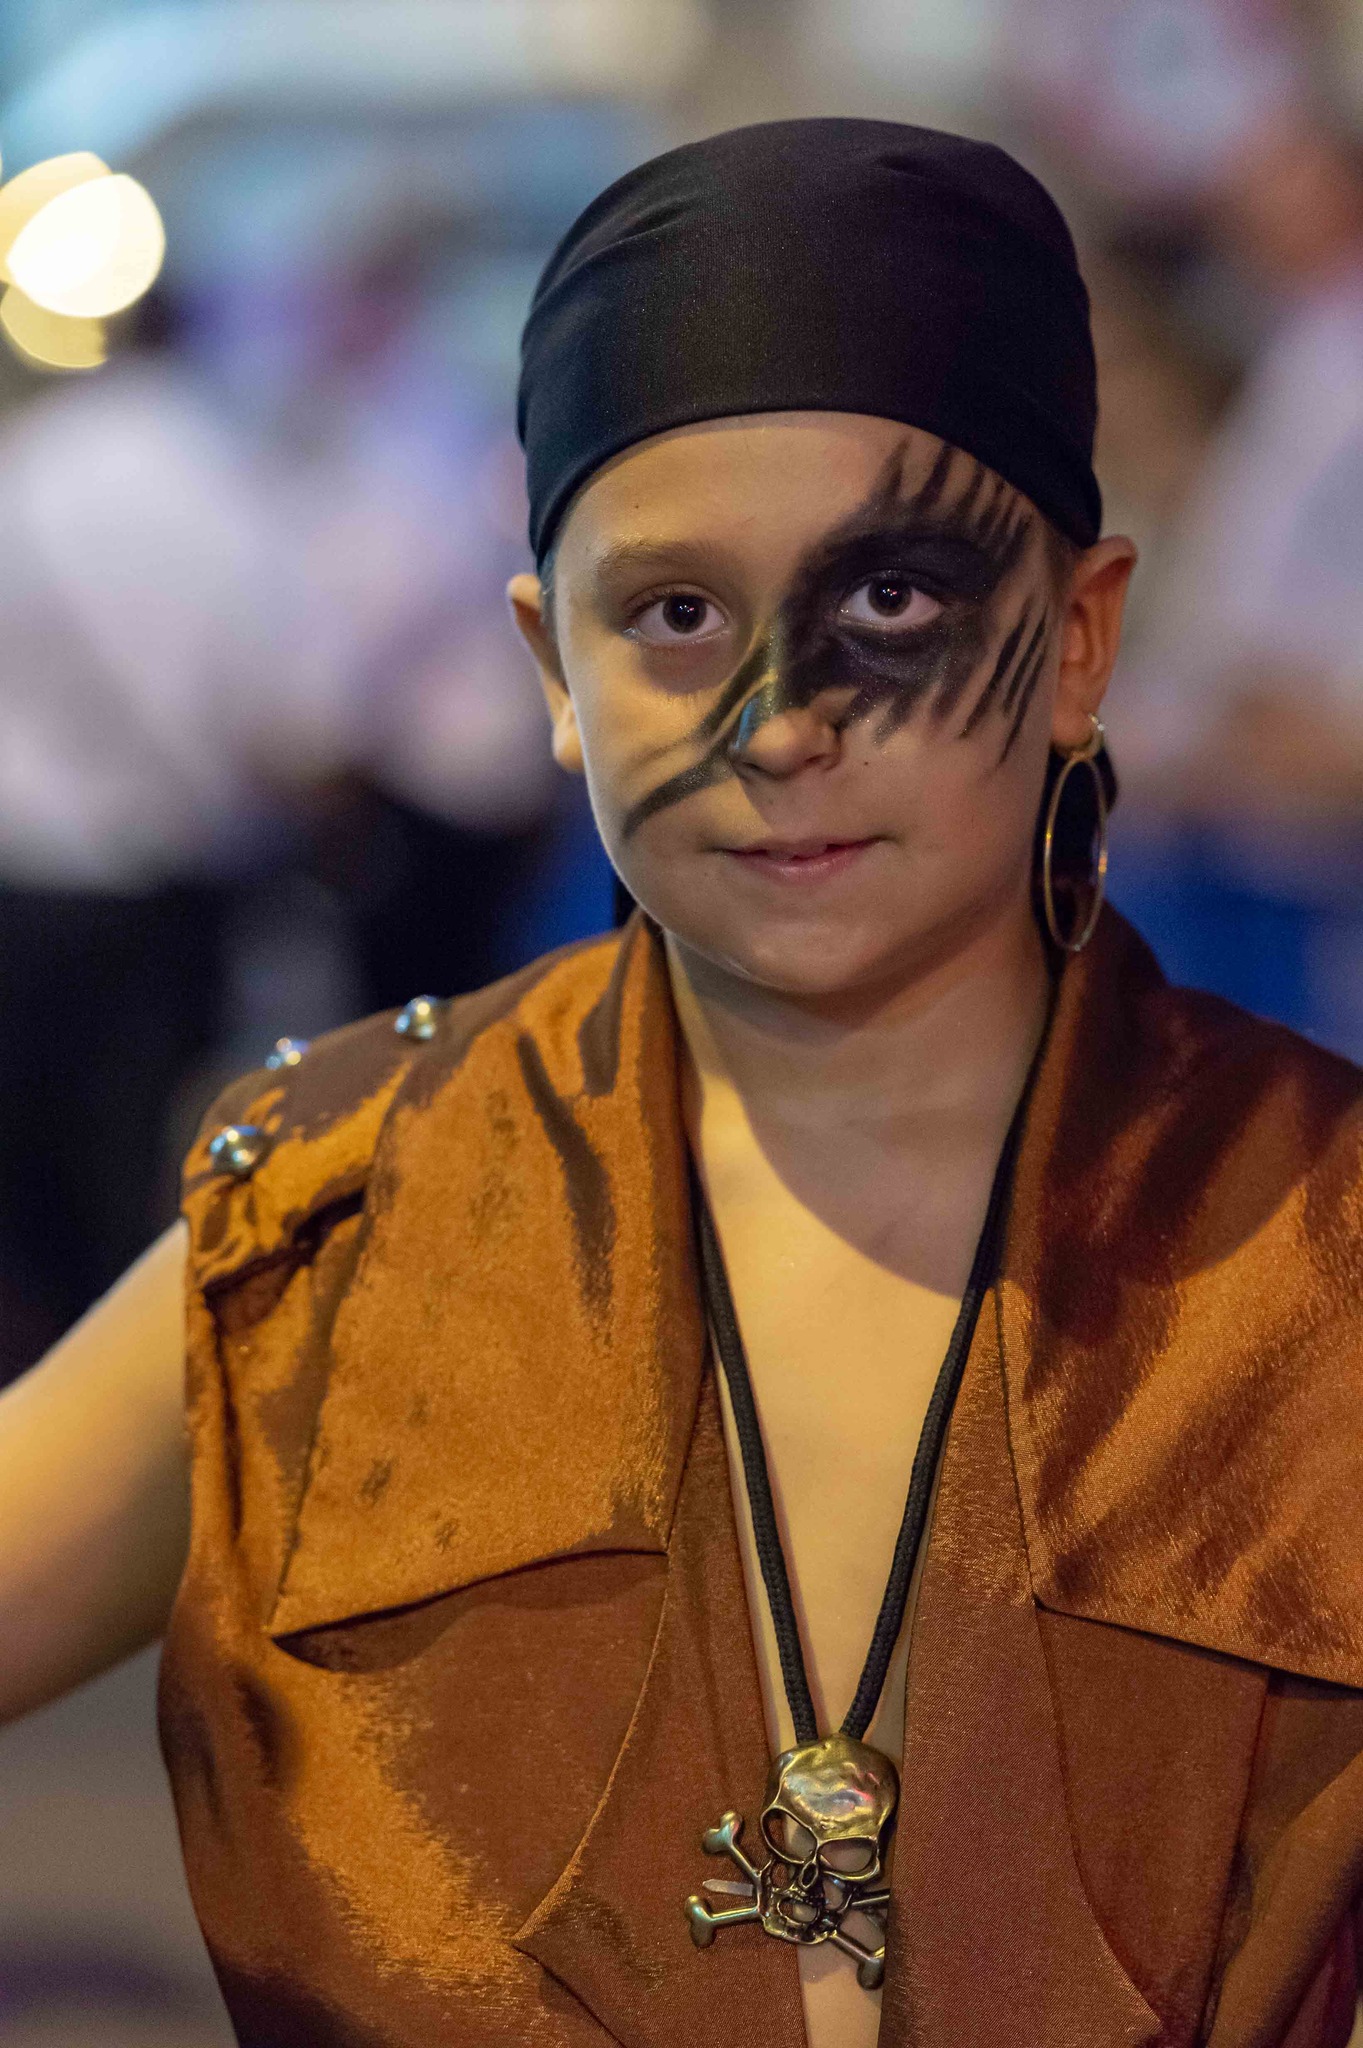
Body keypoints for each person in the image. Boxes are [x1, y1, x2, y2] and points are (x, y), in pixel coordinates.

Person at [2, 118, 1362, 2048]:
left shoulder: (1327, 1253)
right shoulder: (322, 1237)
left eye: (893, 602)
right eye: (673, 617)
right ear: (551, 669)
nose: (780, 724)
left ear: (1077, 641)